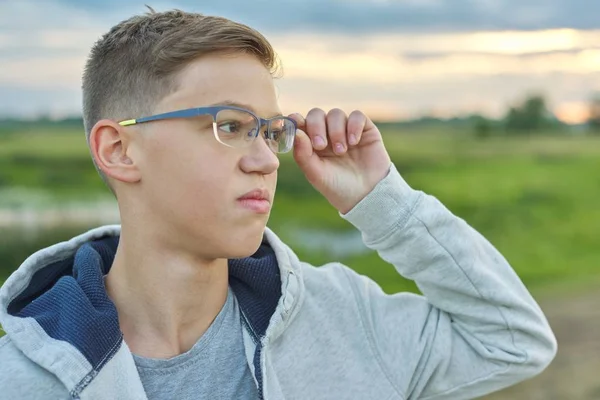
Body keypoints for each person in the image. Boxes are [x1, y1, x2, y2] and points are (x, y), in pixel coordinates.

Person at [0, 8, 556, 400]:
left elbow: (513, 342)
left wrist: (380, 199)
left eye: (270, 131)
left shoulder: (342, 318)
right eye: (231, 126)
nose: (267, 160)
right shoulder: (20, 381)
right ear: (119, 149)